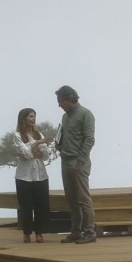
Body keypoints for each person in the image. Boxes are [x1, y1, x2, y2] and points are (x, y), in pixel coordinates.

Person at [54, 85, 96, 244]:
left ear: (69, 98)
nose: (59, 105)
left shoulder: (86, 114)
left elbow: (89, 139)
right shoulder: (65, 117)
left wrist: (81, 159)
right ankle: (76, 232)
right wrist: (58, 145)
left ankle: (90, 232)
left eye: (60, 101)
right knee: (71, 199)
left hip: (79, 163)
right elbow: (63, 136)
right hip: (65, 162)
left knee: (83, 199)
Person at [13, 108, 54, 243]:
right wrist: (37, 144)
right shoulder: (18, 135)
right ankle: (26, 232)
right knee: (26, 205)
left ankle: (39, 232)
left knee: (41, 205)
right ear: (24, 118)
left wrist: (39, 150)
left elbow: (46, 154)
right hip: (24, 176)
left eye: (34, 116)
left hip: (40, 175)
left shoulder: (39, 134)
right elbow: (27, 153)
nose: (33, 119)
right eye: (31, 116)